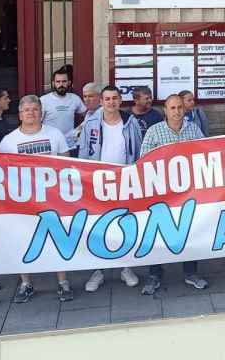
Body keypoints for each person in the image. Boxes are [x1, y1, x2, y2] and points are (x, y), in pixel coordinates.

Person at [0, 94, 73, 303]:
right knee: (22, 240)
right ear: (20, 114)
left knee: (58, 239)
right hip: (23, 200)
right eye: (26, 110)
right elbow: (1, 172)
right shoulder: (9, 141)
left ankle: (63, 282)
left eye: (35, 109)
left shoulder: (55, 134)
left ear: (41, 113)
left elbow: (67, 164)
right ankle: (26, 283)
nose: (31, 113)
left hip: (53, 198)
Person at [140, 95, 209, 295]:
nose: (177, 111)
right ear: (165, 110)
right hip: (162, 192)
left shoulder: (194, 129)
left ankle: (190, 272)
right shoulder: (154, 131)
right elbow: (143, 159)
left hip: (189, 191)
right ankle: (155, 274)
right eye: (172, 108)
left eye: (180, 107)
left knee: (190, 229)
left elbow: (205, 154)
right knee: (158, 231)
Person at [79, 85, 143, 293]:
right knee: (98, 227)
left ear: (120, 100)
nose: (111, 102)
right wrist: (85, 179)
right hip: (98, 181)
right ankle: (98, 271)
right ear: (101, 101)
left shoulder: (131, 122)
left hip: (124, 180)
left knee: (124, 224)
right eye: (107, 99)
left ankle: (126, 268)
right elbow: (83, 153)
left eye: (115, 98)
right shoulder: (91, 123)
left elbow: (138, 151)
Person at [40, 67, 87, 140]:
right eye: (58, 82)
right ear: (53, 83)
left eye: (64, 81)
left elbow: (88, 115)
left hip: (70, 142)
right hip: (51, 142)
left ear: (69, 83)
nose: (61, 84)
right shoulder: (44, 100)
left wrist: (80, 127)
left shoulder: (75, 98)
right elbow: (36, 122)